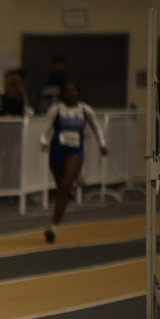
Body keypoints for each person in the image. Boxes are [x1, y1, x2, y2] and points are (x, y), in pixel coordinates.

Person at [39, 81, 108, 244]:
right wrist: (44, 142)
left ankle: (53, 227)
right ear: (62, 94)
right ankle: (76, 177)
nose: (70, 94)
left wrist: (102, 144)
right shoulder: (56, 109)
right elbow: (44, 131)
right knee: (61, 188)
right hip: (57, 152)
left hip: (75, 152)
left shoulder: (85, 110)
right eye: (67, 91)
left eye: (73, 90)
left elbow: (96, 127)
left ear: (79, 93)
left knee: (64, 185)